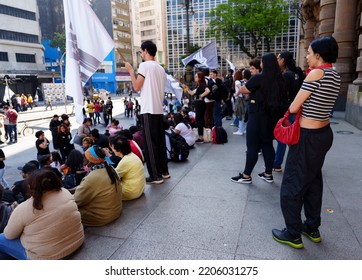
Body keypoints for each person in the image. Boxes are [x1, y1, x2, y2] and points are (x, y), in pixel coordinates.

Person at [272, 36, 341, 249]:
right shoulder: (335, 74)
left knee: (293, 182)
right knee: (312, 182)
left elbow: (294, 107)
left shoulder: (317, 74)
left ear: (319, 56)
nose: (307, 56)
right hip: (323, 134)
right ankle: (312, 227)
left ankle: (293, 233)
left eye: (309, 52)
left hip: (307, 137)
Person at [0, 169, 84, 259]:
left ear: (30, 187)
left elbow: (9, 235)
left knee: (1, 238)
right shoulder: (65, 192)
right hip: (77, 242)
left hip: (48, 257)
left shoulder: (23, 208)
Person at [231, 53, 287, 184]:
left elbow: (245, 90)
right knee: (267, 144)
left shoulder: (259, 78)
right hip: (272, 117)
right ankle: (268, 173)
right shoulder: (280, 79)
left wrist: (239, 85)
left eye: (262, 61)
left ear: (265, 63)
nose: (260, 63)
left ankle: (246, 176)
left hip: (257, 116)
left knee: (252, 146)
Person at [124, 40, 169, 184]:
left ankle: (155, 176)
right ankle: (164, 171)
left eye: (141, 52)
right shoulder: (160, 68)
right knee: (160, 142)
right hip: (158, 109)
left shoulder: (144, 66)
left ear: (145, 51)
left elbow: (137, 87)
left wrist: (131, 72)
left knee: (150, 144)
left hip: (148, 109)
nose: (141, 55)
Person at [74, 146, 122, 227]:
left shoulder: (92, 178)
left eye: (85, 158)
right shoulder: (110, 168)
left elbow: (77, 201)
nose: (84, 161)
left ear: (90, 161)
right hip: (116, 210)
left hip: (102, 217)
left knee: (69, 212)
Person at [273, 50, 304, 172]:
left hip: (289, 110)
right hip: (300, 109)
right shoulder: (298, 73)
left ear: (283, 60)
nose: (277, 61)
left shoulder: (286, 75)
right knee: (296, 137)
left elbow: (282, 95)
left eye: (278, 58)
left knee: (285, 138)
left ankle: (277, 163)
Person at [109, 135, 145, 200]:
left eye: (113, 148)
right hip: (140, 189)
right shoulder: (132, 155)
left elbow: (113, 177)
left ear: (119, 150)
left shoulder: (125, 161)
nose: (112, 150)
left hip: (131, 193)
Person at [182, 71, 207, 143]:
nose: (195, 78)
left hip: (200, 104)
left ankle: (201, 137)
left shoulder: (202, 85)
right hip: (199, 104)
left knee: (199, 120)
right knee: (199, 120)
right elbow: (192, 93)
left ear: (200, 78)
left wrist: (200, 96)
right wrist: (186, 87)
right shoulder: (199, 85)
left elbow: (207, 90)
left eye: (196, 76)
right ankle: (201, 136)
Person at [232, 70, 247, 136]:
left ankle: (240, 130)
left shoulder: (237, 81)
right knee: (243, 114)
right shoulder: (243, 81)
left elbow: (240, 89)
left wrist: (236, 94)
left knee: (240, 114)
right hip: (243, 99)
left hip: (239, 99)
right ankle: (243, 129)